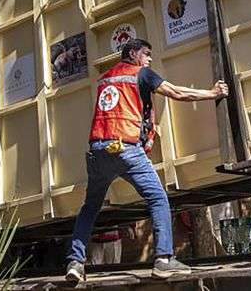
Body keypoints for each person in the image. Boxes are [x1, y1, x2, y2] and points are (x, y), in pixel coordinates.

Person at [65, 38, 229, 283]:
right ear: (133, 54)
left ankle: (76, 262)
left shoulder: (106, 78)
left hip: (98, 150)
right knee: (157, 198)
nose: (150, 59)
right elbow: (177, 93)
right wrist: (212, 93)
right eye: (147, 54)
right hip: (124, 148)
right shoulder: (141, 74)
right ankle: (163, 259)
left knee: (90, 208)